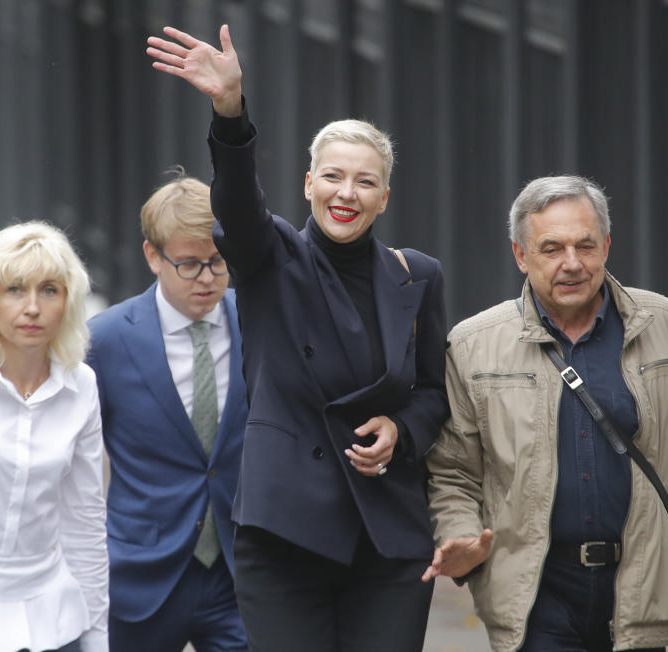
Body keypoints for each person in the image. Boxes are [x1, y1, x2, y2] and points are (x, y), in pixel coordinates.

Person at [145, 24, 450, 651]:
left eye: (365, 181)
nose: (347, 193)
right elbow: (236, 207)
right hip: (286, 533)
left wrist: (401, 429)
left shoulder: (416, 275)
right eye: (333, 177)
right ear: (308, 185)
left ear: (384, 198)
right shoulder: (272, 257)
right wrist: (229, 112)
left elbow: (432, 391)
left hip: (387, 538)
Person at [423, 175, 668, 651]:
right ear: (520, 255)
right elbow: (452, 473)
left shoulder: (663, 324)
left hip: (646, 586)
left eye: (585, 246)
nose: (572, 264)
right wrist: (463, 537)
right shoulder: (473, 346)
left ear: (607, 246)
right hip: (536, 596)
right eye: (551, 249)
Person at [86, 170, 248, 651]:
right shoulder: (105, 340)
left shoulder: (260, 321)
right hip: (141, 577)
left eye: (219, 263)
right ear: (153, 257)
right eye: (190, 265)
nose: (208, 278)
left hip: (239, 577)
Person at [0, 221, 108, 652]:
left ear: (69, 302)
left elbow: (85, 521)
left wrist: (97, 638)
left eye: (50, 290)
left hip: (50, 621)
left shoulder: (82, 387)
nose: (33, 307)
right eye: (15, 289)